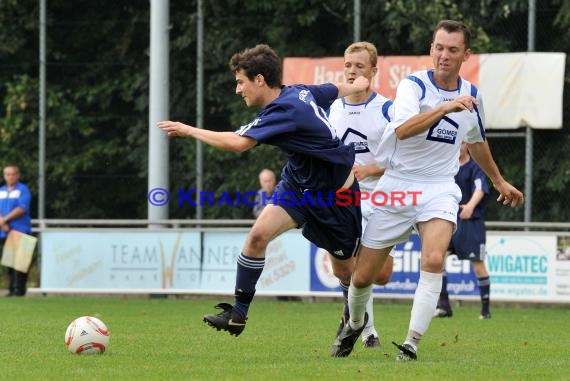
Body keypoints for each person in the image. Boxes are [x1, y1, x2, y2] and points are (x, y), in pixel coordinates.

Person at [331, 20, 524, 360]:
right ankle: (356, 321)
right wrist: (445, 107)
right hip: (398, 186)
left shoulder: (473, 95)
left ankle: (411, 343)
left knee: (434, 259)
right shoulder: (413, 86)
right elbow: (404, 130)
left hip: (439, 188)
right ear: (431, 49)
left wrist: (498, 180)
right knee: (362, 278)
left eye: (452, 50)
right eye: (439, 47)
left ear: (466, 54)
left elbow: (477, 142)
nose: (444, 55)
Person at [158, 44, 370, 339]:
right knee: (257, 236)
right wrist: (355, 84)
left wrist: (189, 130)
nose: (237, 89)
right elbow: (332, 90)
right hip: (297, 188)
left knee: (345, 272)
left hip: (334, 198)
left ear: (259, 79)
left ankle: (355, 320)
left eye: (240, 81)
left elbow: (237, 143)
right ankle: (238, 314)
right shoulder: (298, 92)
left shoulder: (286, 109)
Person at [327, 41, 395, 349]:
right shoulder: (332, 108)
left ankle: (355, 320)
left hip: (381, 199)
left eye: (359, 66)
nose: (352, 71)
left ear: (373, 71)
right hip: (343, 199)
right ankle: (366, 330)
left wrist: (372, 169)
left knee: (380, 276)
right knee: (348, 267)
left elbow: (404, 158)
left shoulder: (387, 109)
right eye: (348, 65)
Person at [434, 142, 492, 319]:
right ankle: (444, 306)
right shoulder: (446, 167)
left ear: (467, 146)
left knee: (478, 265)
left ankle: (485, 310)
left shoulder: (476, 167)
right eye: (456, 142)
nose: (459, 146)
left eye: (462, 143)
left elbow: (480, 188)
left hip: (471, 222)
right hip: (450, 219)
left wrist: (470, 207)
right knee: (437, 259)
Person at [0, 165, 33, 297]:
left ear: (18, 175)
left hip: (21, 230)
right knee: (9, 261)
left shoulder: (23, 190)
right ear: (4, 176)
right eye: (7, 174)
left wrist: (5, 219)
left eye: (13, 174)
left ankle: (20, 290)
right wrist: (2, 223)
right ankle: (11, 289)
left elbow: (22, 208)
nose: (10, 177)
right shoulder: (1, 190)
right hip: (5, 231)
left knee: (21, 262)